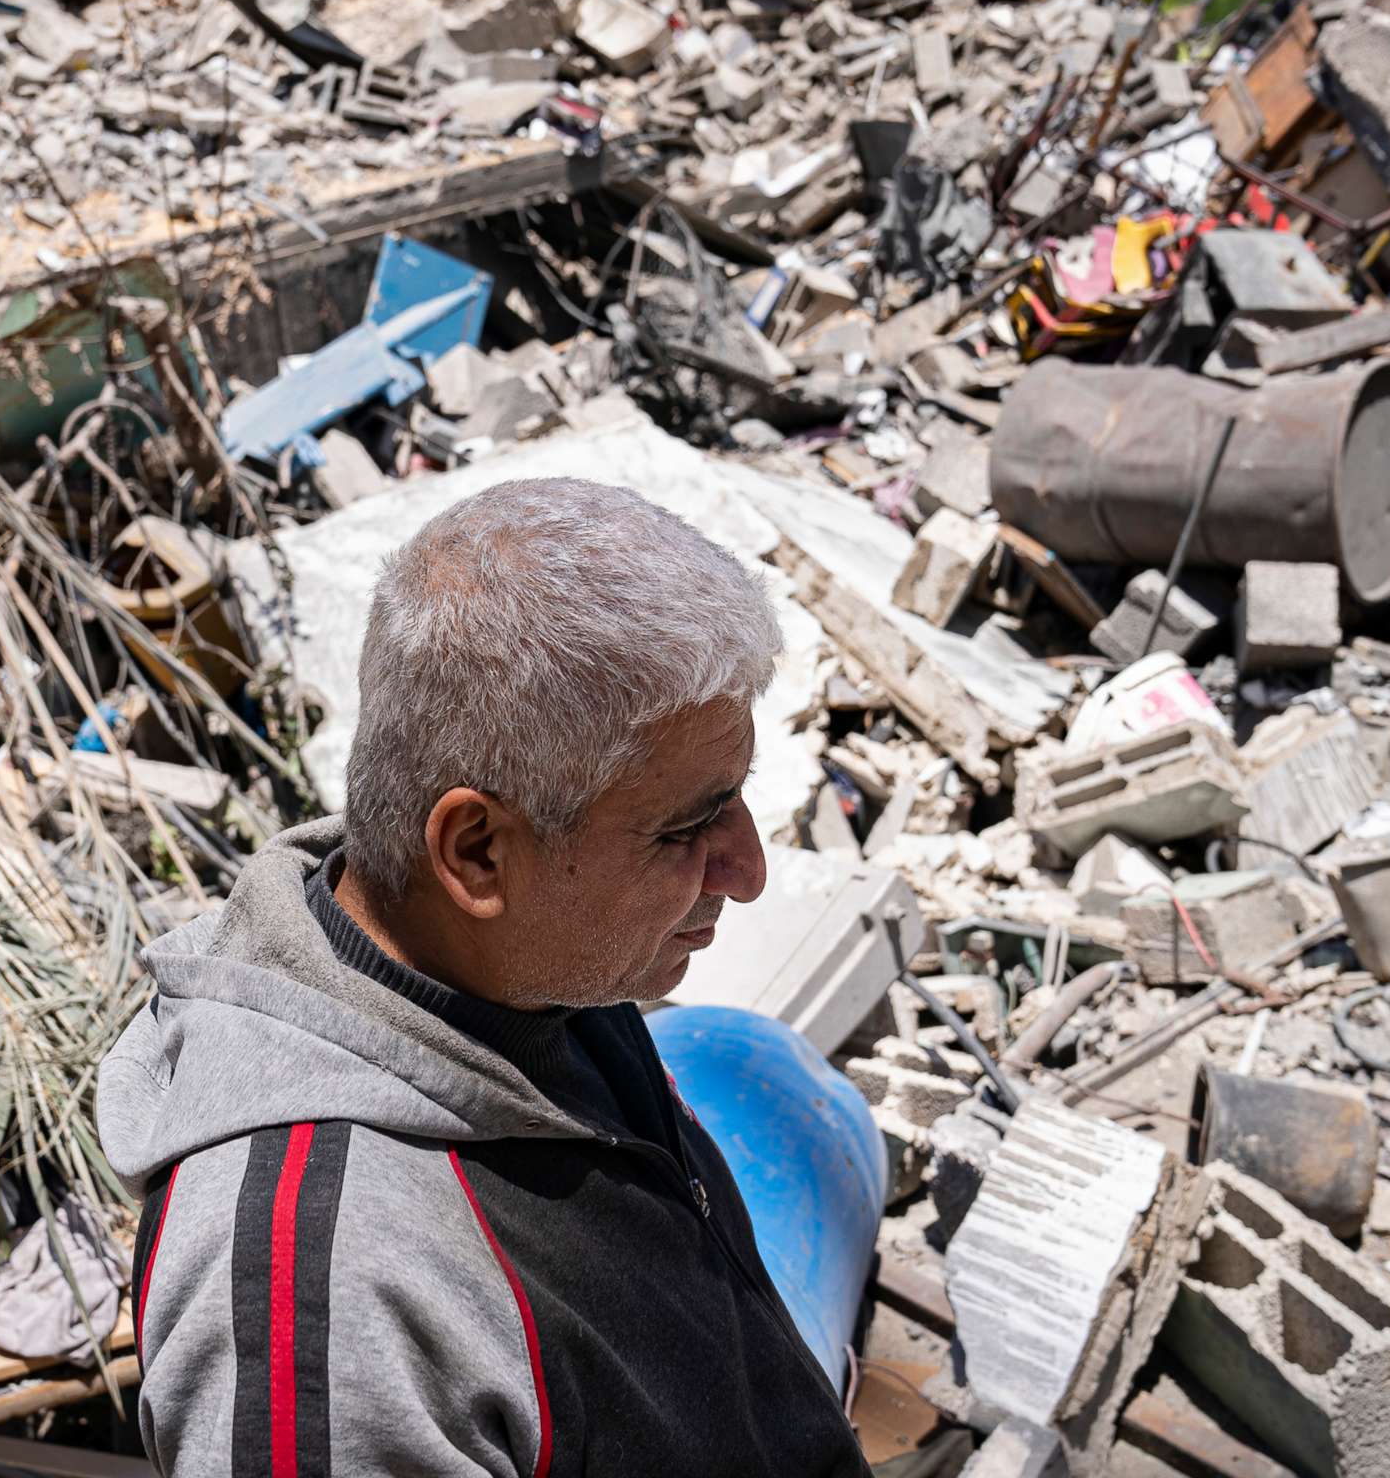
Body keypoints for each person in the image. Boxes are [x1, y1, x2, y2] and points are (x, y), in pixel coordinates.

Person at [98, 477, 869, 1477]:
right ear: (476, 854)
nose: (749, 870)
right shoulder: (327, 1306)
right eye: (686, 828)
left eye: (734, 801)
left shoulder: (532, 976)